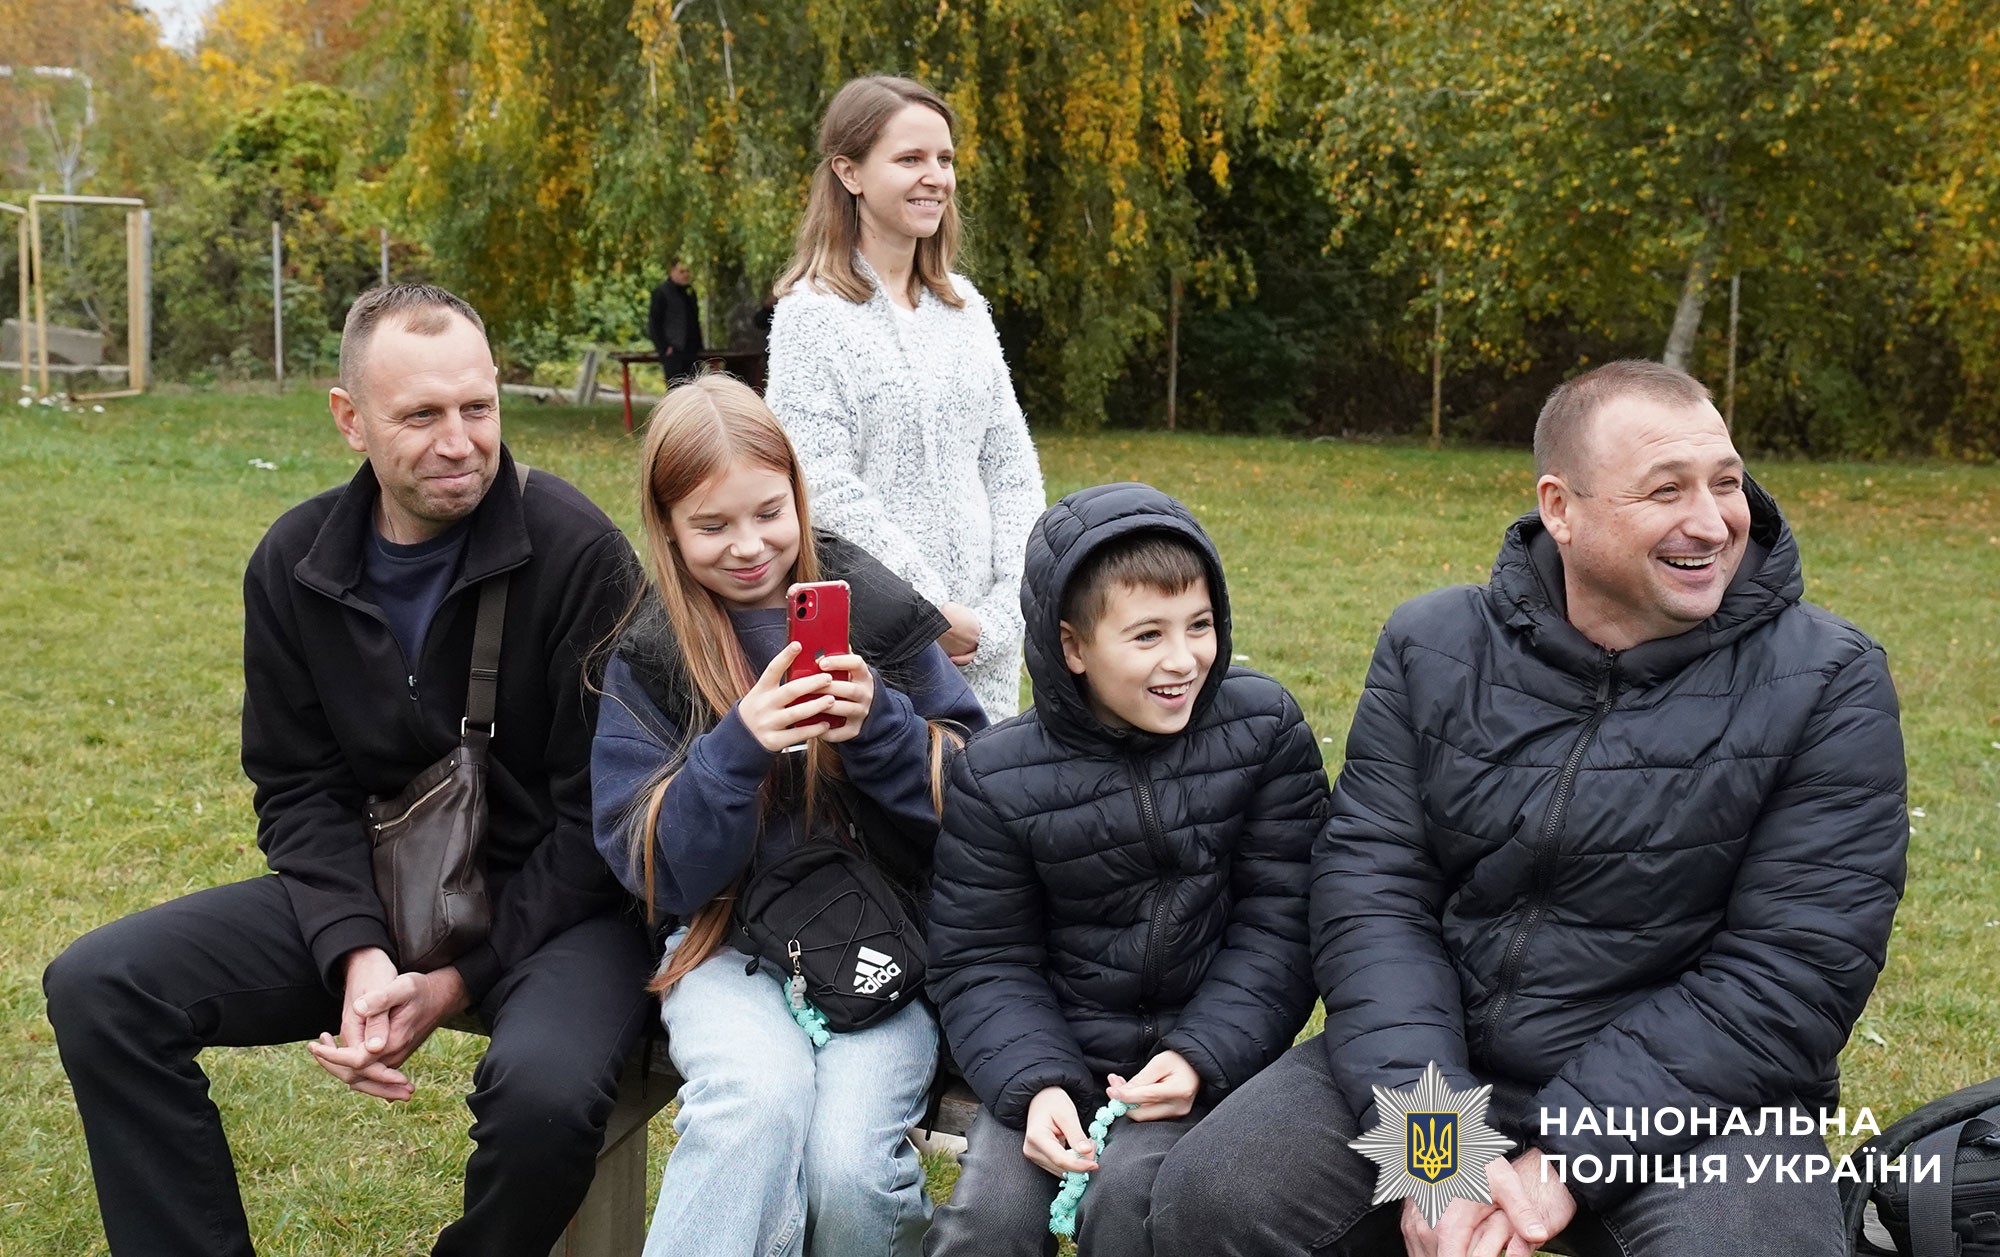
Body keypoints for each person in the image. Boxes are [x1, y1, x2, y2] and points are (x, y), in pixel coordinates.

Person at [1152, 360, 1909, 1257]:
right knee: (1213, 1200)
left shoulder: (1829, 679)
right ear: (1561, 507)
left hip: (1707, 1098)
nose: (1712, 521)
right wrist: (1434, 1152)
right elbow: (1372, 896)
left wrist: (1568, 1160)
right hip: (1446, 1056)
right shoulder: (1431, 645)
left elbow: (1792, 970)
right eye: (1667, 490)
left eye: (1727, 481)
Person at [42, 284, 654, 1256]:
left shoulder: (574, 549)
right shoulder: (294, 562)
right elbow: (297, 789)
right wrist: (357, 951)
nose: (459, 441)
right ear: (349, 420)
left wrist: (456, 980)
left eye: (477, 408)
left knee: (540, 1095)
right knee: (102, 986)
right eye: (420, 415)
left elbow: (609, 821)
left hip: (564, 907)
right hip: (386, 887)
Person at [590, 374, 987, 1257]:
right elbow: (654, 868)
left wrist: (882, 724)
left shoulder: (872, 611)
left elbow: (982, 801)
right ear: (666, 528)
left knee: (849, 1165)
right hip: (727, 948)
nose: (748, 546)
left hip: (886, 948)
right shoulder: (654, 652)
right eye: (711, 525)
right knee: (750, 1108)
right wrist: (736, 750)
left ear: (798, 495)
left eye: (768, 512)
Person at [925, 482, 1329, 1257]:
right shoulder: (998, 776)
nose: (1184, 660)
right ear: (1073, 647)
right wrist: (1037, 1082)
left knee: (1130, 1205)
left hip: (1200, 1058)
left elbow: (1283, 919)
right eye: (1147, 636)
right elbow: (984, 958)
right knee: (989, 1222)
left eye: (1201, 625)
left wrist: (1201, 1053)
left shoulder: (1263, 728)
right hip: (1053, 1059)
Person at [766, 74, 1044, 721]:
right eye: (911, 159)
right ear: (850, 172)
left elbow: (1009, 461)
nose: (935, 177)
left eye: (944, 160)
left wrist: (1007, 606)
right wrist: (927, 613)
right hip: (880, 644)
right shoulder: (812, 317)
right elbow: (822, 486)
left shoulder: (964, 307)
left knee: (985, 803)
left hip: (990, 636)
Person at [648, 260, 704, 382]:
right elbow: (654, 323)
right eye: (681, 271)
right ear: (672, 272)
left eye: (687, 271)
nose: (685, 275)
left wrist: (700, 346)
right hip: (674, 350)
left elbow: (694, 320)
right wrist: (664, 347)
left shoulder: (690, 292)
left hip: (692, 351)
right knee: (676, 387)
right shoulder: (662, 293)